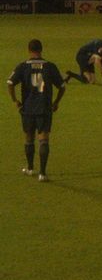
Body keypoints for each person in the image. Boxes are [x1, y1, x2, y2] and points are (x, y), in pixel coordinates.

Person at [6, 39, 66, 182]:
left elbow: (9, 83)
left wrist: (16, 102)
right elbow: (62, 86)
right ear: (41, 50)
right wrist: (56, 102)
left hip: (27, 109)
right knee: (43, 139)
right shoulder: (50, 66)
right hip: (44, 108)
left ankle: (30, 168)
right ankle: (43, 174)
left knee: (29, 138)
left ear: (29, 50)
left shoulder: (23, 66)